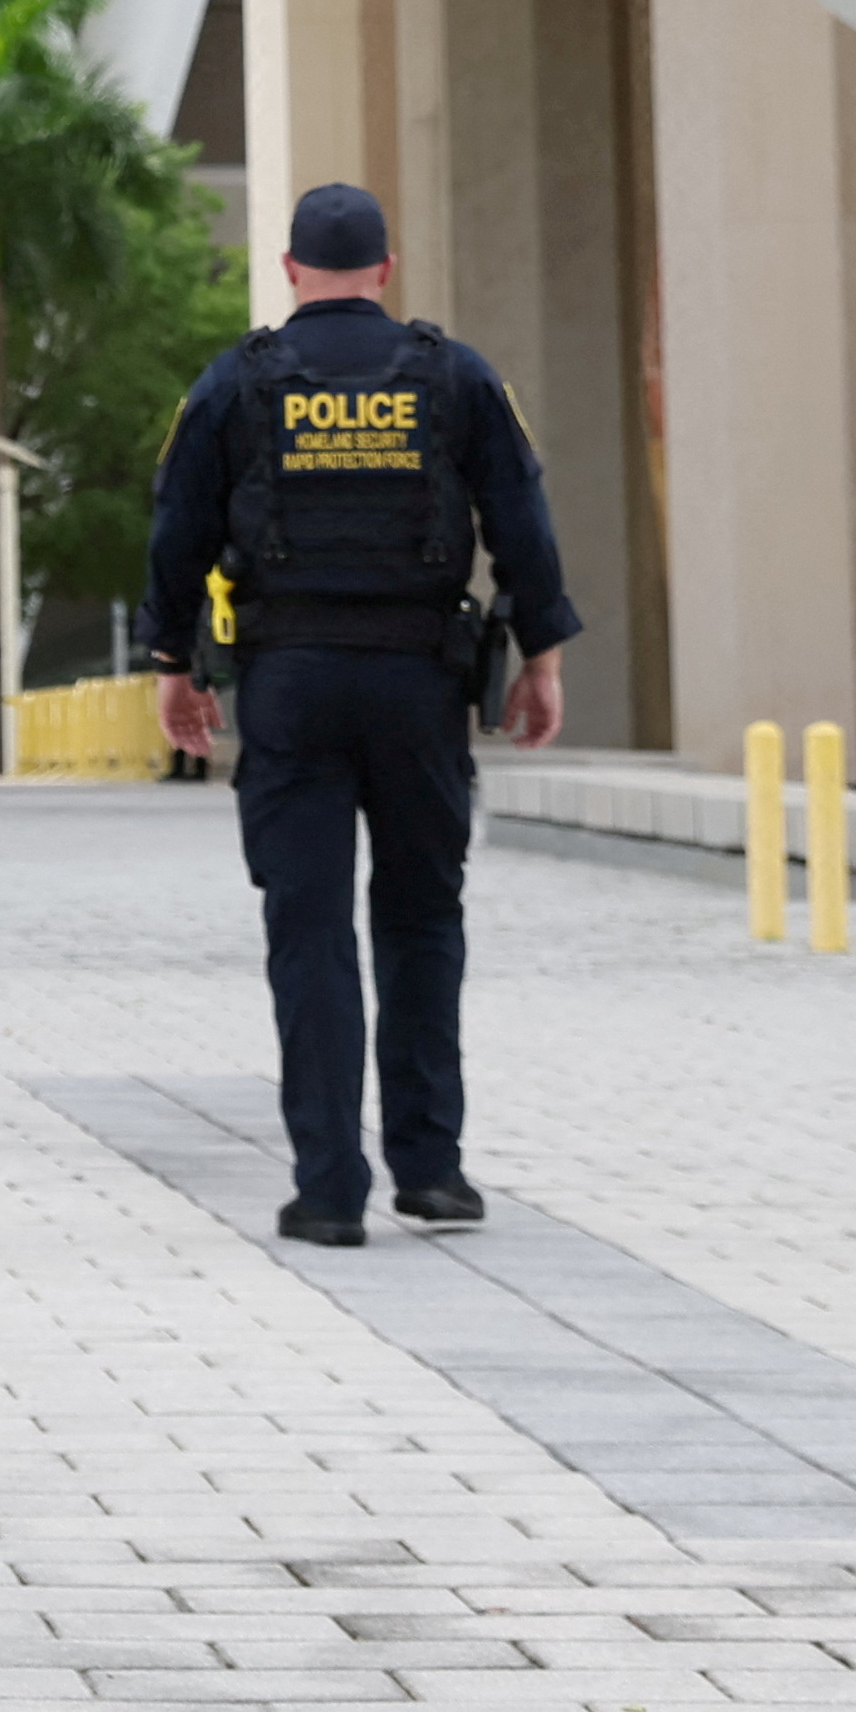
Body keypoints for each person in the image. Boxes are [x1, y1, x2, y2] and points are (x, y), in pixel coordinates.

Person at [143, 181, 576, 1249]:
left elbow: (177, 530)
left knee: (311, 929)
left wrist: (172, 663)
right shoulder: (451, 374)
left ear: (290, 269)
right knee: (424, 916)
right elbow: (523, 517)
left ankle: (329, 1186)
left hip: (289, 683)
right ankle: (431, 1169)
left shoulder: (237, 383)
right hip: (419, 681)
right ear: (386, 268)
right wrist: (541, 658)